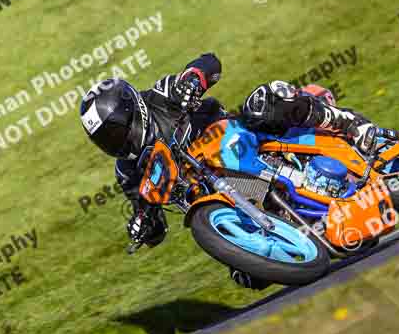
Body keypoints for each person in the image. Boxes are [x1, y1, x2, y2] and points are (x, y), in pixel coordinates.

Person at [78, 53, 377, 288]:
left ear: (132, 108)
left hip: (239, 141)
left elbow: (209, 63)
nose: (116, 143)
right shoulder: (128, 171)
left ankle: (349, 123)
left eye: (115, 131)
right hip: (217, 197)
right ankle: (300, 229)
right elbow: (154, 223)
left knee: (266, 99)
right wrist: (143, 225)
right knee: (248, 276)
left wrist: (193, 81)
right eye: (105, 140)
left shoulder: (160, 96)